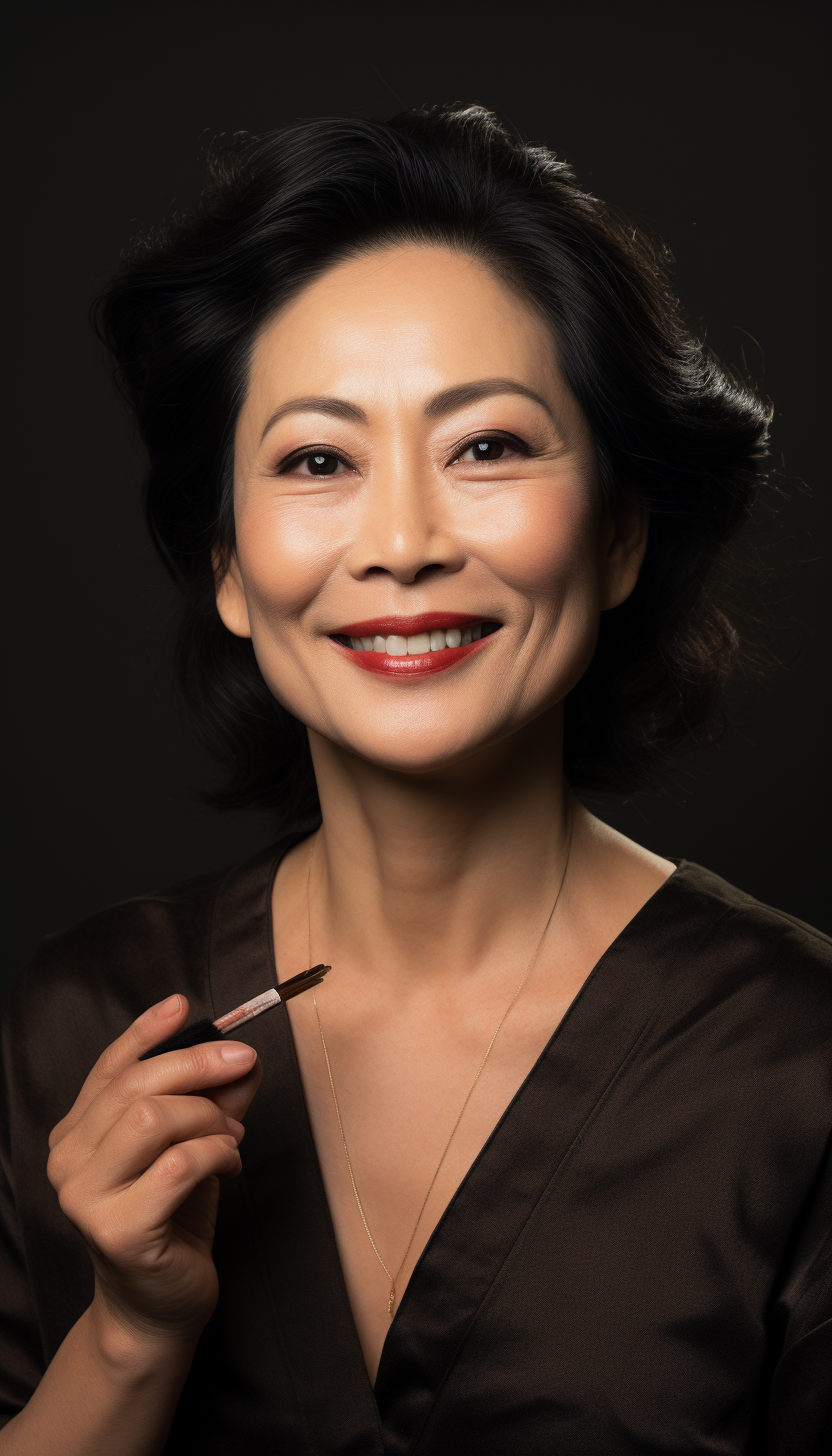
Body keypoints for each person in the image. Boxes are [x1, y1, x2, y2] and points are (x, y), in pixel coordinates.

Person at [0, 103, 829, 1455]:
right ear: (226, 566)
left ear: (619, 535)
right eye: (318, 461)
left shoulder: (801, 1067)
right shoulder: (83, 1019)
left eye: (487, 446)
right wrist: (132, 1335)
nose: (401, 541)